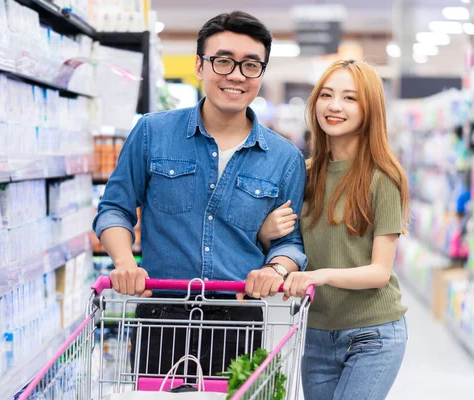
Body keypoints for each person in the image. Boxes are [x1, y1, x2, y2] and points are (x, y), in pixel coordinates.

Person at [92, 11, 306, 376]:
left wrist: (274, 268)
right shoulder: (151, 133)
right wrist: (125, 263)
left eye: (251, 65)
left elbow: (292, 243)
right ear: (199, 66)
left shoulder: (285, 159)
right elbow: (114, 208)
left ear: (261, 73)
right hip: (161, 318)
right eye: (223, 61)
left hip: (239, 321)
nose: (236, 75)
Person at [258, 59, 410, 400]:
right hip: (315, 332)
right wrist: (267, 232)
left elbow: (379, 273)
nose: (335, 106)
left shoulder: (383, 177)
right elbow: (287, 241)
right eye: (326, 95)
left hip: (372, 334)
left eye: (350, 98)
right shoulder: (303, 171)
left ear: (369, 109)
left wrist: (318, 276)